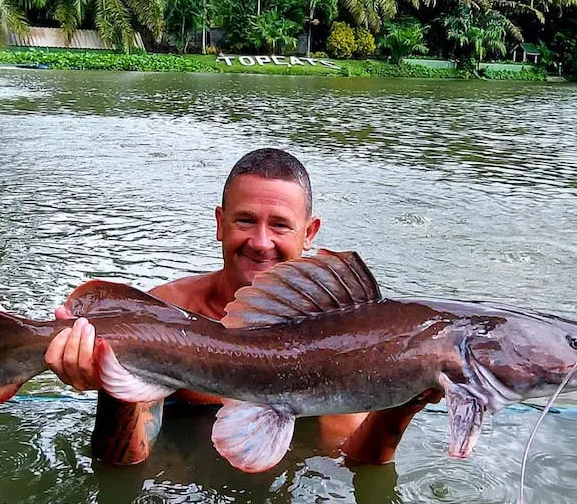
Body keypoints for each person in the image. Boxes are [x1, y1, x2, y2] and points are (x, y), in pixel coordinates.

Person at [44, 148, 441, 466]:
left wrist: (404, 401)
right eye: (245, 221)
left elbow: (345, 459)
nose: (261, 242)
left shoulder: (342, 333)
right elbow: (125, 464)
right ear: (220, 223)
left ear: (310, 234)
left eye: (281, 225)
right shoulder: (164, 311)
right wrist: (113, 383)